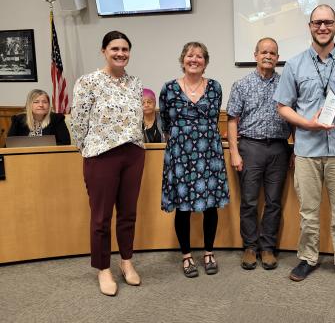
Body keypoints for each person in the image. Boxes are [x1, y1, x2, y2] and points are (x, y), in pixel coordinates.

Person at [273, 4, 335, 288]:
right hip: (307, 149)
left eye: (328, 22)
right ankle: (307, 258)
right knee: (308, 211)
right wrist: (307, 124)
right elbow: (283, 106)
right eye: (317, 23)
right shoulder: (295, 64)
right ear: (310, 26)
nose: (323, 27)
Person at [71, 31, 145, 296]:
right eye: (115, 48)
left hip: (133, 153)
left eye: (125, 49)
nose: (120, 53)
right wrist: (87, 149)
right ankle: (103, 268)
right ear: (103, 51)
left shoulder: (135, 83)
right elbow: (78, 122)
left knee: (128, 213)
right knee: (101, 217)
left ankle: (126, 261)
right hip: (100, 155)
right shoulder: (89, 81)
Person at [159, 42, 229, 278]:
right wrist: (182, 141)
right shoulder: (168, 88)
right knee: (183, 207)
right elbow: (165, 125)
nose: (194, 60)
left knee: (210, 206)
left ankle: (209, 252)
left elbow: (214, 117)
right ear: (183, 59)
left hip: (209, 152)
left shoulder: (215, 87)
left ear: (205, 62)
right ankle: (187, 256)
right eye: (190, 55)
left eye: (199, 56)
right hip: (180, 154)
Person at [227, 37, 292, 270]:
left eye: (273, 53)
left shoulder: (286, 84)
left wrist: (294, 149)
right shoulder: (241, 85)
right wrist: (234, 152)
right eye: (264, 52)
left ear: (277, 57)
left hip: (278, 148)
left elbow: (293, 116)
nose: (268, 56)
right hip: (250, 147)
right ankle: (250, 247)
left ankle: (267, 248)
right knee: (250, 201)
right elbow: (232, 120)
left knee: (274, 202)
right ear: (255, 55)